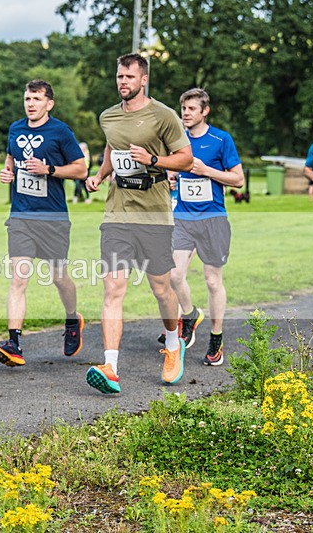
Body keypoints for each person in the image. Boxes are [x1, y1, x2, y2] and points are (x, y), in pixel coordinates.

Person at [84, 53, 194, 394]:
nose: (122, 82)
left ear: (143, 80)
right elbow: (111, 148)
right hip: (117, 215)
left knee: (161, 288)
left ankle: (174, 342)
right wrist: (100, 175)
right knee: (113, 288)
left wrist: (153, 160)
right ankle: (111, 366)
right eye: (119, 76)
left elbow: (187, 159)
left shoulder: (164, 116)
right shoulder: (108, 116)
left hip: (154, 216)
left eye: (129, 77)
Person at [0, 79, 88, 368]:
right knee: (19, 278)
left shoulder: (60, 131)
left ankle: (72, 318)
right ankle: (14, 343)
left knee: (59, 278)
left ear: (49, 103)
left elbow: (81, 169)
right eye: (27, 98)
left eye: (36, 98)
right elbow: (11, 158)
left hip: (53, 219)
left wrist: (50, 169)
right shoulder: (15, 129)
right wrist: (8, 172)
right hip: (21, 216)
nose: (30, 103)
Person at [165, 88, 243, 367]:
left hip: (213, 219)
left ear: (204, 111)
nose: (185, 113)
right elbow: (171, 175)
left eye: (191, 109)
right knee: (174, 276)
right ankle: (190, 315)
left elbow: (238, 179)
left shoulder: (221, 140)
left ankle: (216, 338)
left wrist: (206, 171)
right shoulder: (177, 141)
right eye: (183, 109)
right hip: (183, 218)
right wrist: (172, 179)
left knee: (212, 281)